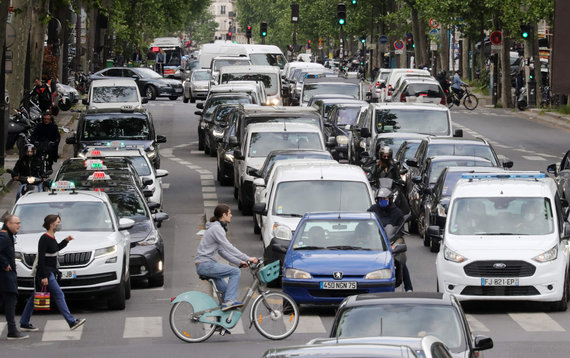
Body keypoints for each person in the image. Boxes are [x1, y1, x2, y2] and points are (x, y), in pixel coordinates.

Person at [19, 215, 86, 331]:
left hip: (50, 271)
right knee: (59, 295)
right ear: (51, 224)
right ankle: (71, 322)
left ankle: (24, 322)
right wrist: (44, 276)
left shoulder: (52, 237)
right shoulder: (44, 238)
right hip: (46, 273)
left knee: (34, 297)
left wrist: (66, 241)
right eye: (58, 222)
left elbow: (55, 249)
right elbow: (41, 259)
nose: (60, 224)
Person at [195, 204, 258, 311]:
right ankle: (230, 301)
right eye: (230, 213)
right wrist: (247, 258)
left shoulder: (216, 228)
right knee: (235, 272)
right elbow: (228, 246)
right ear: (224, 215)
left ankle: (220, 325)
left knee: (225, 292)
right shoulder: (216, 228)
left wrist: (239, 262)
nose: (231, 215)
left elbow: (222, 251)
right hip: (206, 264)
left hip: (205, 264)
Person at [368, 188, 413, 292]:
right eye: (380, 199)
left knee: (401, 260)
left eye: (385, 199)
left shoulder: (397, 212)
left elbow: (401, 228)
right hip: (376, 240)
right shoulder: (372, 210)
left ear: (390, 199)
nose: (382, 201)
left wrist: (396, 237)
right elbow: (367, 225)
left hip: (394, 239)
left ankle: (409, 288)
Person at [0, 215, 29, 339]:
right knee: (11, 302)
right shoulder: (4, 236)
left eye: (19, 222)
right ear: (8, 223)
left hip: (6, 276)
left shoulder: (7, 236)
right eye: (16, 223)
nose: (19, 225)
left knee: (9, 303)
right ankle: (12, 331)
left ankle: (12, 330)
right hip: (5, 277)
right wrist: (4, 263)